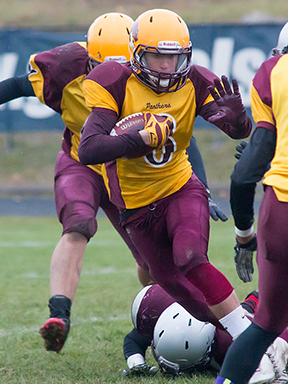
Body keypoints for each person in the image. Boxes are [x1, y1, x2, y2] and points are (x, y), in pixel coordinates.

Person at [0, 11, 223, 353]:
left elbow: (178, 135)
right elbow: (15, 86)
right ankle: (59, 315)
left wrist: (201, 187)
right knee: (78, 225)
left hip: (132, 171)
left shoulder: (152, 79)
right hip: (82, 160)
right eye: (99, 66)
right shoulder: (63, 65)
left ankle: (158, 315)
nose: (109, 76)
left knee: (152, 262)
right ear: (87, 58)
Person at [77, 8, 276, 380]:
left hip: (179, 186)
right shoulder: (113, 80)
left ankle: (257, 347)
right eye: (158, 56)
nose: (168, 65)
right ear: (137, 54)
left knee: (190, 256)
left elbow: (237, 131)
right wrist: (137, 140)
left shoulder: (196, 81)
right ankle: (256, 336)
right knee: (182, 292)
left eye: (175, 56)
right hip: (135, 206)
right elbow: (89, 149)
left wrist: (238, 120)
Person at [214, 21, 288, 384]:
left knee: (266, 324)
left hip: (278, 211)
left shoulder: (273, 73)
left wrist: (244, 236)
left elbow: (244, 175)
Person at [123, 285, 288, 379]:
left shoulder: (229, 345)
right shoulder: (158, 309)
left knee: (259, 307)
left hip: (241, 315)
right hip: (213, 310)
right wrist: (137, 363)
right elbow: (134, 339)